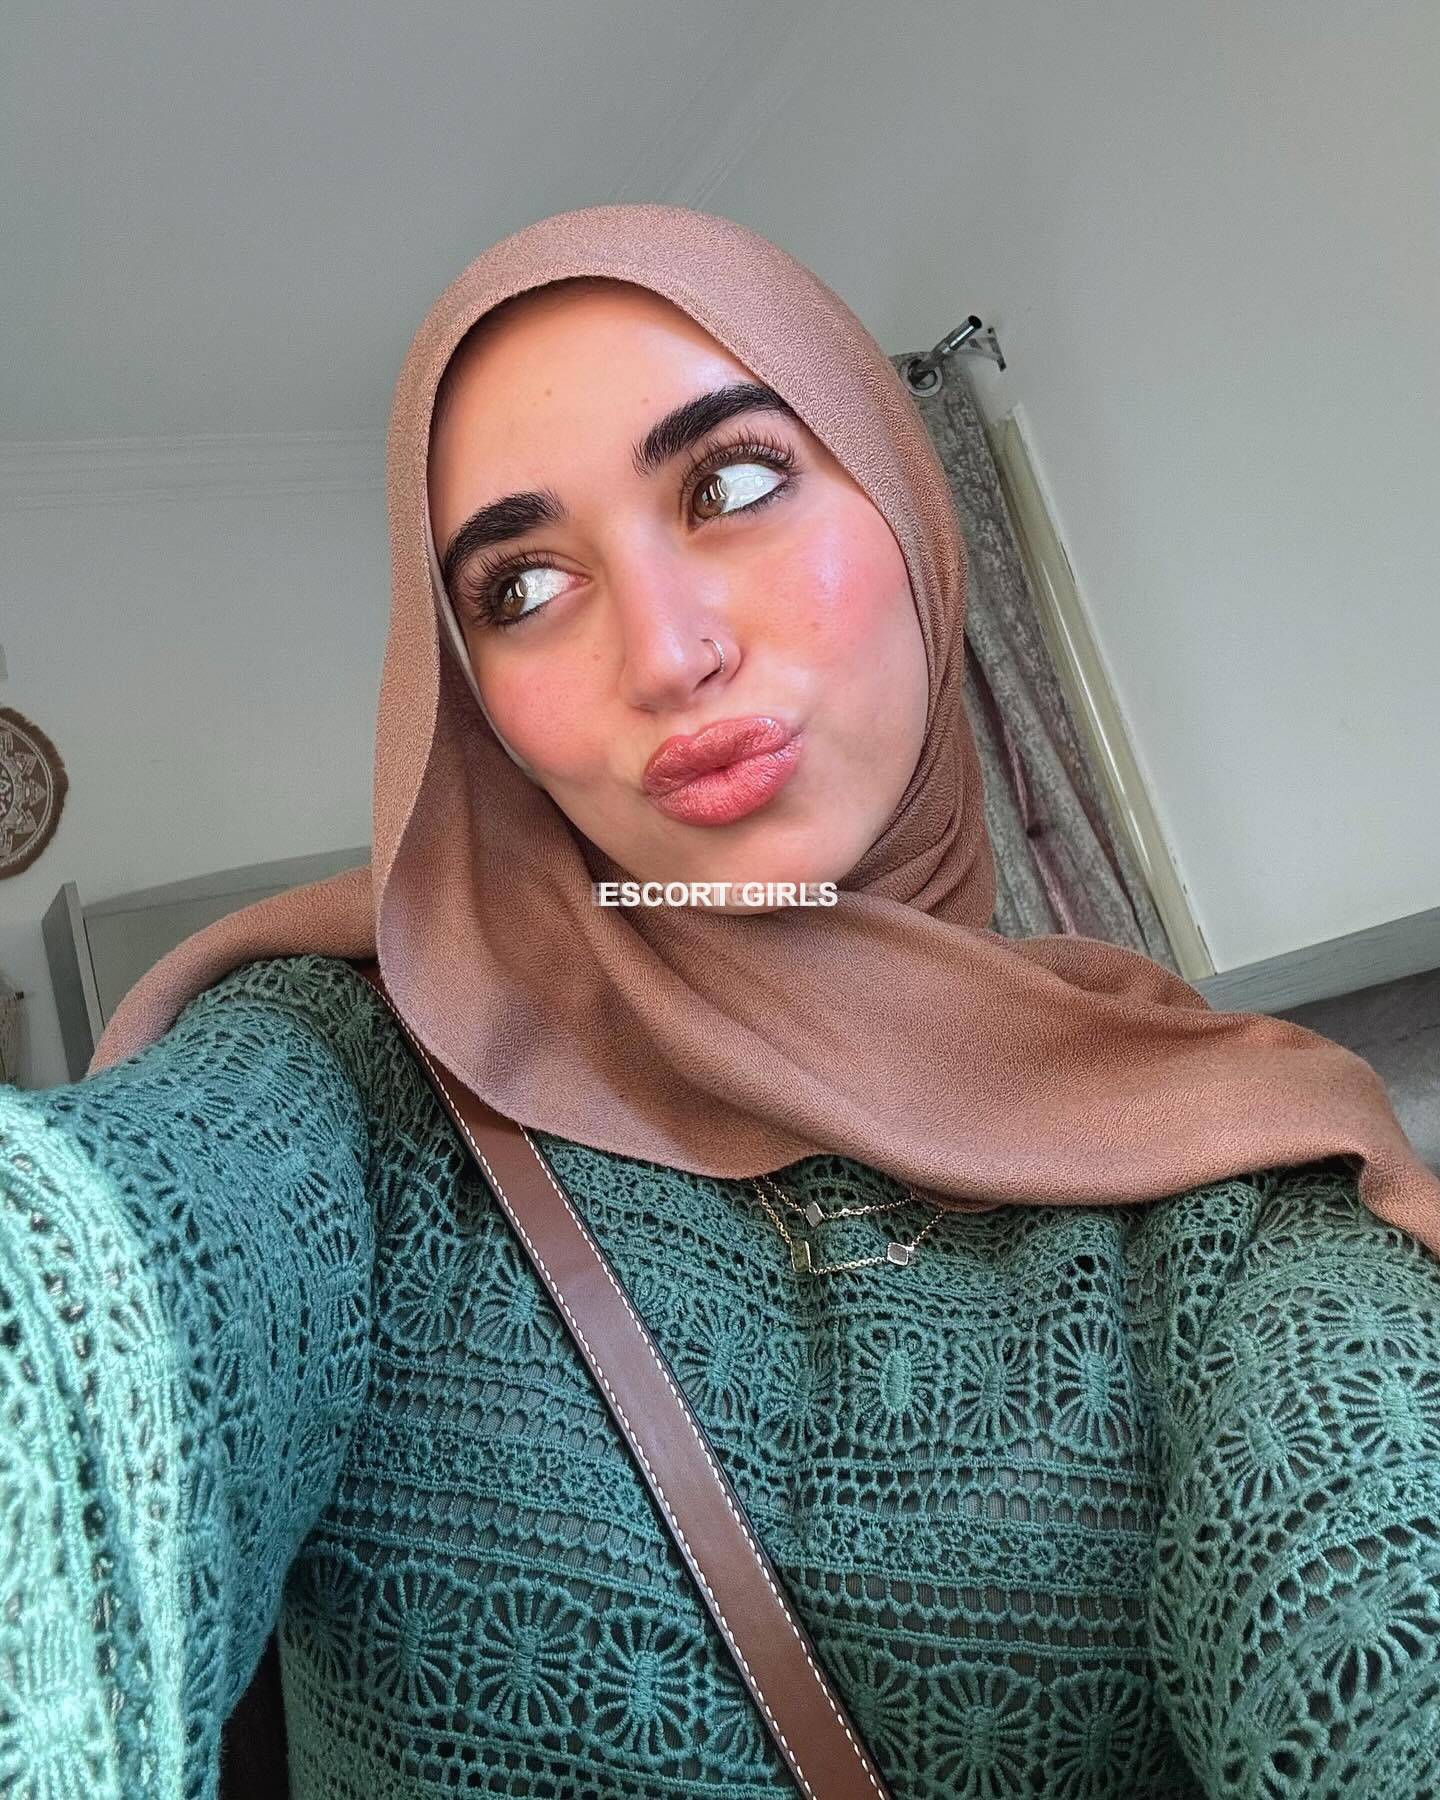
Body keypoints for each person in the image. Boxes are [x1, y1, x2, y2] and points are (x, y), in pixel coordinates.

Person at [3, 203, 1439, 1800]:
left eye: (735, 484)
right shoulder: (351, 1079)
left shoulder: (1231, 1173)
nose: (667, 652)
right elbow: (90, 1308)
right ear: (475, 707)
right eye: (522, 587)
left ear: (908, 506)